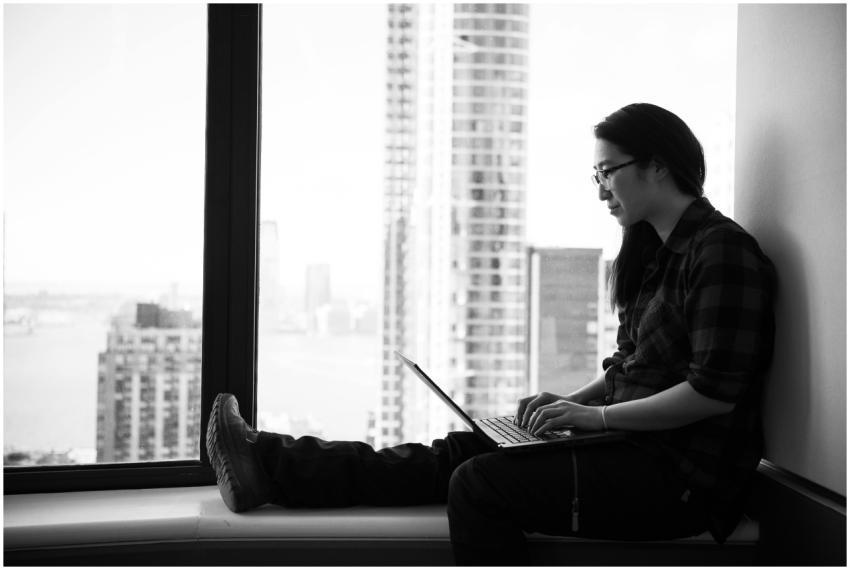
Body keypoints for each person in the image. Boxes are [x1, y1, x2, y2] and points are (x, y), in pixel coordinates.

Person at [206, 103, 776, 565]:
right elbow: (628, 367)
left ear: (656, 164)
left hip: (678, 482)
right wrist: (569, 405)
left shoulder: (720, 252)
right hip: (626, 446)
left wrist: (594, 420)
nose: (600, 188)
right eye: (595, 175)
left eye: (607, 171)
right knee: (460, 449)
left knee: (479, 483)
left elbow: (713, 392)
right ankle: (268, 464)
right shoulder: (654, 255)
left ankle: (271, 465)